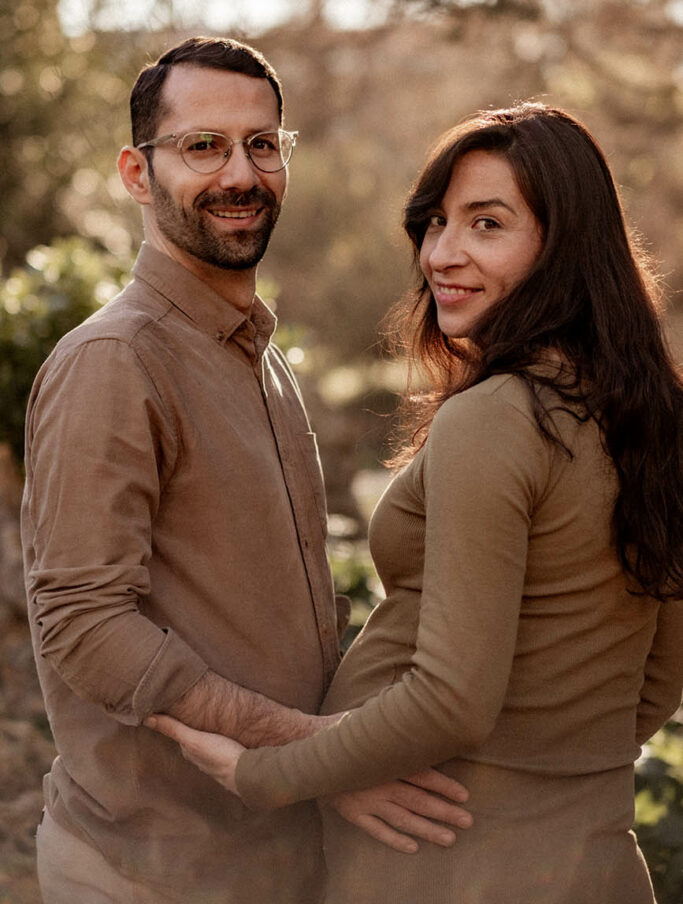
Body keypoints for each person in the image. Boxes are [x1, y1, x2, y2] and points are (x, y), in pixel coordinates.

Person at [148, 103, 683, 903]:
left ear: (565, 246)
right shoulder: (648, 416)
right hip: (585, 860)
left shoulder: (498, 418)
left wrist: (267, 773)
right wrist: (552, 774)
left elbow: (451, 700)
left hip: (448, 864)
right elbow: (662, 672)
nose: (442, 254)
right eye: (435, 223)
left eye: (487, 224)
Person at [21, 36, 472, 904]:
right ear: (135, 171)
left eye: (262, 144)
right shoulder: (115, 362)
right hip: (153, 876)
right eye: (203, 146)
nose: (241, 173)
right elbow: (83, 626)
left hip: (272, 863)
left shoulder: (257, 355)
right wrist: (308, 753)